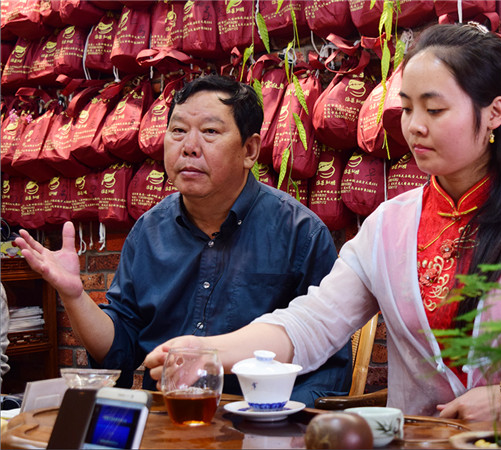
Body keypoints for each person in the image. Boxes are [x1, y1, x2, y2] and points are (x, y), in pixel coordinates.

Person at [145, 24, 501, 420]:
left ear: (494, 113)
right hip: (424, 440)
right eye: (406, 108)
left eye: (434, 109)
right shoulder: (388, 226)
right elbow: (311, 323)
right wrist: (211, 351)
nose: (414, 126)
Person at [15, 75, 352, 406]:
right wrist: (73, 295)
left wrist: (270, 424)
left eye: (209, 132)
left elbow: (328, 371)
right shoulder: (149, 232)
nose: (189, 146)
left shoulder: (299, 232)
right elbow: (119, 351)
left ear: (249, 150)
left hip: (261, 426)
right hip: (167, 422)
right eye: (178, 131)